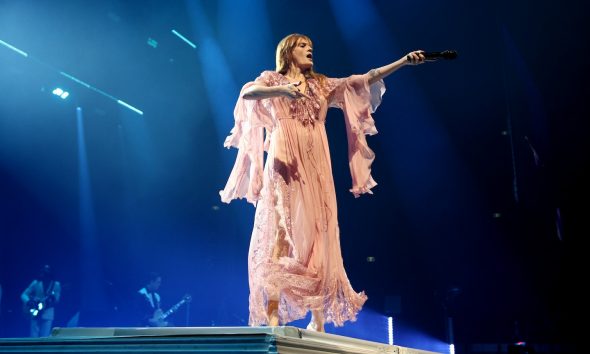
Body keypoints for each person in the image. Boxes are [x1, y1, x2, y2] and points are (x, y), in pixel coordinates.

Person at [220, 33, 425, 332]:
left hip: (316, 160)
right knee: (280, 229)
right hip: (284, 156)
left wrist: (404, 61)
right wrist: (283, 93)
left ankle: (318, 319)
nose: (309, 50)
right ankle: (273, 315)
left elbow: (364, 79)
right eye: (303, 46)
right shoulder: (272, 80)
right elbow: (248, 95)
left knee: (320, 229)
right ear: (288, 51)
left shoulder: (321, 84)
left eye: (311, 47)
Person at [21, 264, 61, 337]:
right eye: (44, 270)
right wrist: (29, 302)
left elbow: (57, 300)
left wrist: (51, 300)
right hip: (35, 311)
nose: (45, 272)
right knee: (34, 336)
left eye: (47, 270)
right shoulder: (36, 283)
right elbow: (24, 294)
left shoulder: (56, 284)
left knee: (45, 337)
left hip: (48, 313)